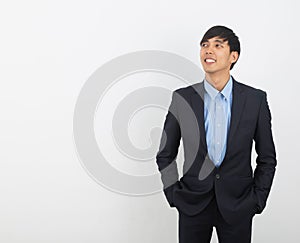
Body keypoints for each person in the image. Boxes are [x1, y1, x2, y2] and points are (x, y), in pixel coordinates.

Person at [156, 25, 277, 243]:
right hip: (192, 204)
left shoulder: (255, 100)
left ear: (233, 56)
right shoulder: (182, 98)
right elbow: (165, 153)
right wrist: (174, 195)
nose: (208, 50)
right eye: (204, 45)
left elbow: (267, 158)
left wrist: (257, 199)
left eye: (217, 45)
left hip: (238, 204)